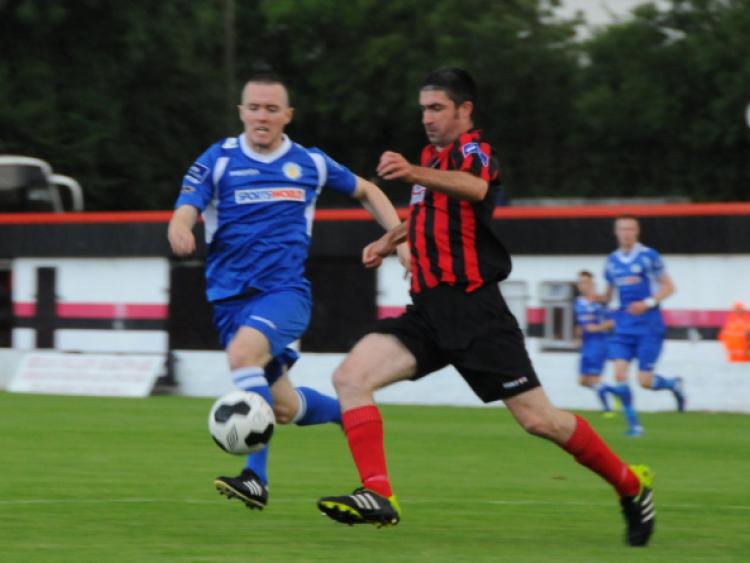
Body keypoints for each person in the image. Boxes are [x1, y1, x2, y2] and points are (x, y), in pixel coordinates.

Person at [316, 67, 656, 547]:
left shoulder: (474, 152)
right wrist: (390, 238)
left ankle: (630, 483)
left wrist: (413, 172)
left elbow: (474, 189)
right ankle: (378, 494)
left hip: (477, 311)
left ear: (464, 109)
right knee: (351, 377)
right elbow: (430, 214)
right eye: (423, 109)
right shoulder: (432, 161)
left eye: (437, 108)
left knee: (540, 420)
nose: (427, 118)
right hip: (430, 313)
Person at [167, 72, 406, 511]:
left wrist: (400, 238)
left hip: (284, 295)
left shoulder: (308, 163)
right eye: (254, 107)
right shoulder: (217, 159)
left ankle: (255, 478)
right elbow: (185, 208)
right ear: (241, 112)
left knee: (242, 357)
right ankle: (347, 414)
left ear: (287, 115)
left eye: (272, 109)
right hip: (229, 302)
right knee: (282, 407)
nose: (262, 116)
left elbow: (368, 190)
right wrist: (181, 228)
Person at [602, 216, 686, 437]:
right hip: (624, 328)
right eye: (623, 229)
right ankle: (634, 425)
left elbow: (669, 287)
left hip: (649, 327)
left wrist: (647, 303)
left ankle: (673, 385)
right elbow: (609, 294)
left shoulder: (649, 256)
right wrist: (595, 298)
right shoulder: (611, 261)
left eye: (631, 229)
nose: (627, 233)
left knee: (644, 381)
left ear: (637, 232)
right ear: (616, 232)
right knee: (619, 374)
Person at [574, 270, 617, 416]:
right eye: (580, 282)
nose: (582, 285)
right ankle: (616, 391)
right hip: (587, 344)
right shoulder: (578, 302)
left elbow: (612, 323)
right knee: (582, 381)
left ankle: (608, 410)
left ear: (592, 284)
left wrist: (597, 328)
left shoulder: (601, 302)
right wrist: (578, 337)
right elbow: (580, 323)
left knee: (594, 378)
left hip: (599, 343)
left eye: (585, 282)